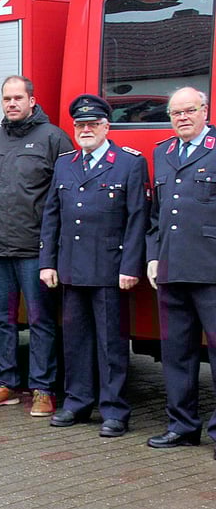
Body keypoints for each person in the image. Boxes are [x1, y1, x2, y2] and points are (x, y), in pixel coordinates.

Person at [40, 94, 148, 438]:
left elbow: (137, 220)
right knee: (75, 340)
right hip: (71, 268)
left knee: (110, 344)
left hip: (110, 269)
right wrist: (48, 263)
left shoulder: (129, 163)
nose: (85, 130)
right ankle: (77, 403)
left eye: (92, 124)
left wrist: (130, 266)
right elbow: (51, 216)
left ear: (106, 126)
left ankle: (114, 410)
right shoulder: (65, 163)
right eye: (80, 125)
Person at [0, 75, 73, 417]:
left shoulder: (54, 139)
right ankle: (5, 384)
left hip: (35, 248)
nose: (12, 103)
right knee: (2, 319)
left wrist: (54, 250)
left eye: (18, 98)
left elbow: (65, 196)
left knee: (41, 320)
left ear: (32, 100)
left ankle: (43, 389)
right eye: (6, 98)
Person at [144, 86, 216, 453]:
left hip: (211, 268)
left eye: (189, 111)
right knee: (177, 353)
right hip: (172, 268)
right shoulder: (163, 152)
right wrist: (153, 255)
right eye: (175, 113)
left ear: (205, 110)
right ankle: (182, 426)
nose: (182, 118)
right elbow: (156, 214)